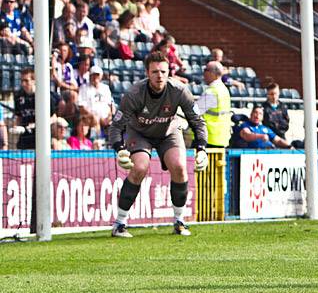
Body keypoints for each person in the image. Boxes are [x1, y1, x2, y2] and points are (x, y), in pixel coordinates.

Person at [108, 52, 209, 238]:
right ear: (147, 72)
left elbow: (198, 121)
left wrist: (202, 148)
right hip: (139, 133)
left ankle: (179, 222)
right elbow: (116, 126)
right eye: (155, 72)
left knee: (179, 166)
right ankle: (120, 223)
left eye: (163, 71)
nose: (159, 75)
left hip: (169, 132)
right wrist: (119, 149)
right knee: (139, 167)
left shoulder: (179, 90)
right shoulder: (133, 94)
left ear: (169, 71)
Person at [11, 68, 62, 149]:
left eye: (26, 81)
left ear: (34, 80)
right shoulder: (18, 97)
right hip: (25, 137)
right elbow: (18, 116)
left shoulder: (45, 96)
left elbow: (53, 117)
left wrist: (38, 125)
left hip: (42, 137)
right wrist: (16, 127)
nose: (24, 84)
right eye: (22, 81)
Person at [196, 61, 231, 148]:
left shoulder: (211, 92)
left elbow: (195, 111)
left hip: (209, 139)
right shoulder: (224, 89)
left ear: (212, 73)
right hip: (222, 138)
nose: (203, 73)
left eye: (205, 70)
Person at [78, 65, 113, 131]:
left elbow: (110, 105)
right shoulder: (84, 88)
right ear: (90, 76)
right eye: (93, 75)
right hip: (91, 117)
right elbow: (81, 107)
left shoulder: (105, 88)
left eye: (97, 75)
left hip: (105, 118)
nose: (95, 77)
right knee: (95, 121)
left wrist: (109, 117)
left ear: (101, 76)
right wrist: (93, 116)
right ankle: (97, 139)